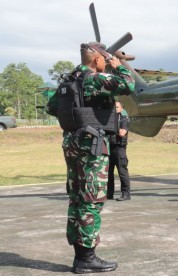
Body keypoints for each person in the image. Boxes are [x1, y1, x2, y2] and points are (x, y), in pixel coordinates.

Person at [49, 42, 135, 273]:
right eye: (104, 60)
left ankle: (80, 256)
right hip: (92, 144)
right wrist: (119, 66)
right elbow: (127, 85)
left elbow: (51, 107)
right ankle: (87, 258)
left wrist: (81, 108)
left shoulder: (68, 81)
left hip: (71, 143)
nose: (106, 63)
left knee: (77, 198)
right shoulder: (93, 79)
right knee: (91, 199)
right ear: (97, 59)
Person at [107, 101, 131, 201]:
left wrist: (112, 126)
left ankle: (126, 194)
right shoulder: (109, 120)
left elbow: (122, 133)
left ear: (121, 109)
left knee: (122, 172)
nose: (115, 109)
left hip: (119, 149)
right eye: (113, 107)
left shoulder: (124, 119)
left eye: (117, 107)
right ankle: (109, 194)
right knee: (108, 173)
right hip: (109, 148)